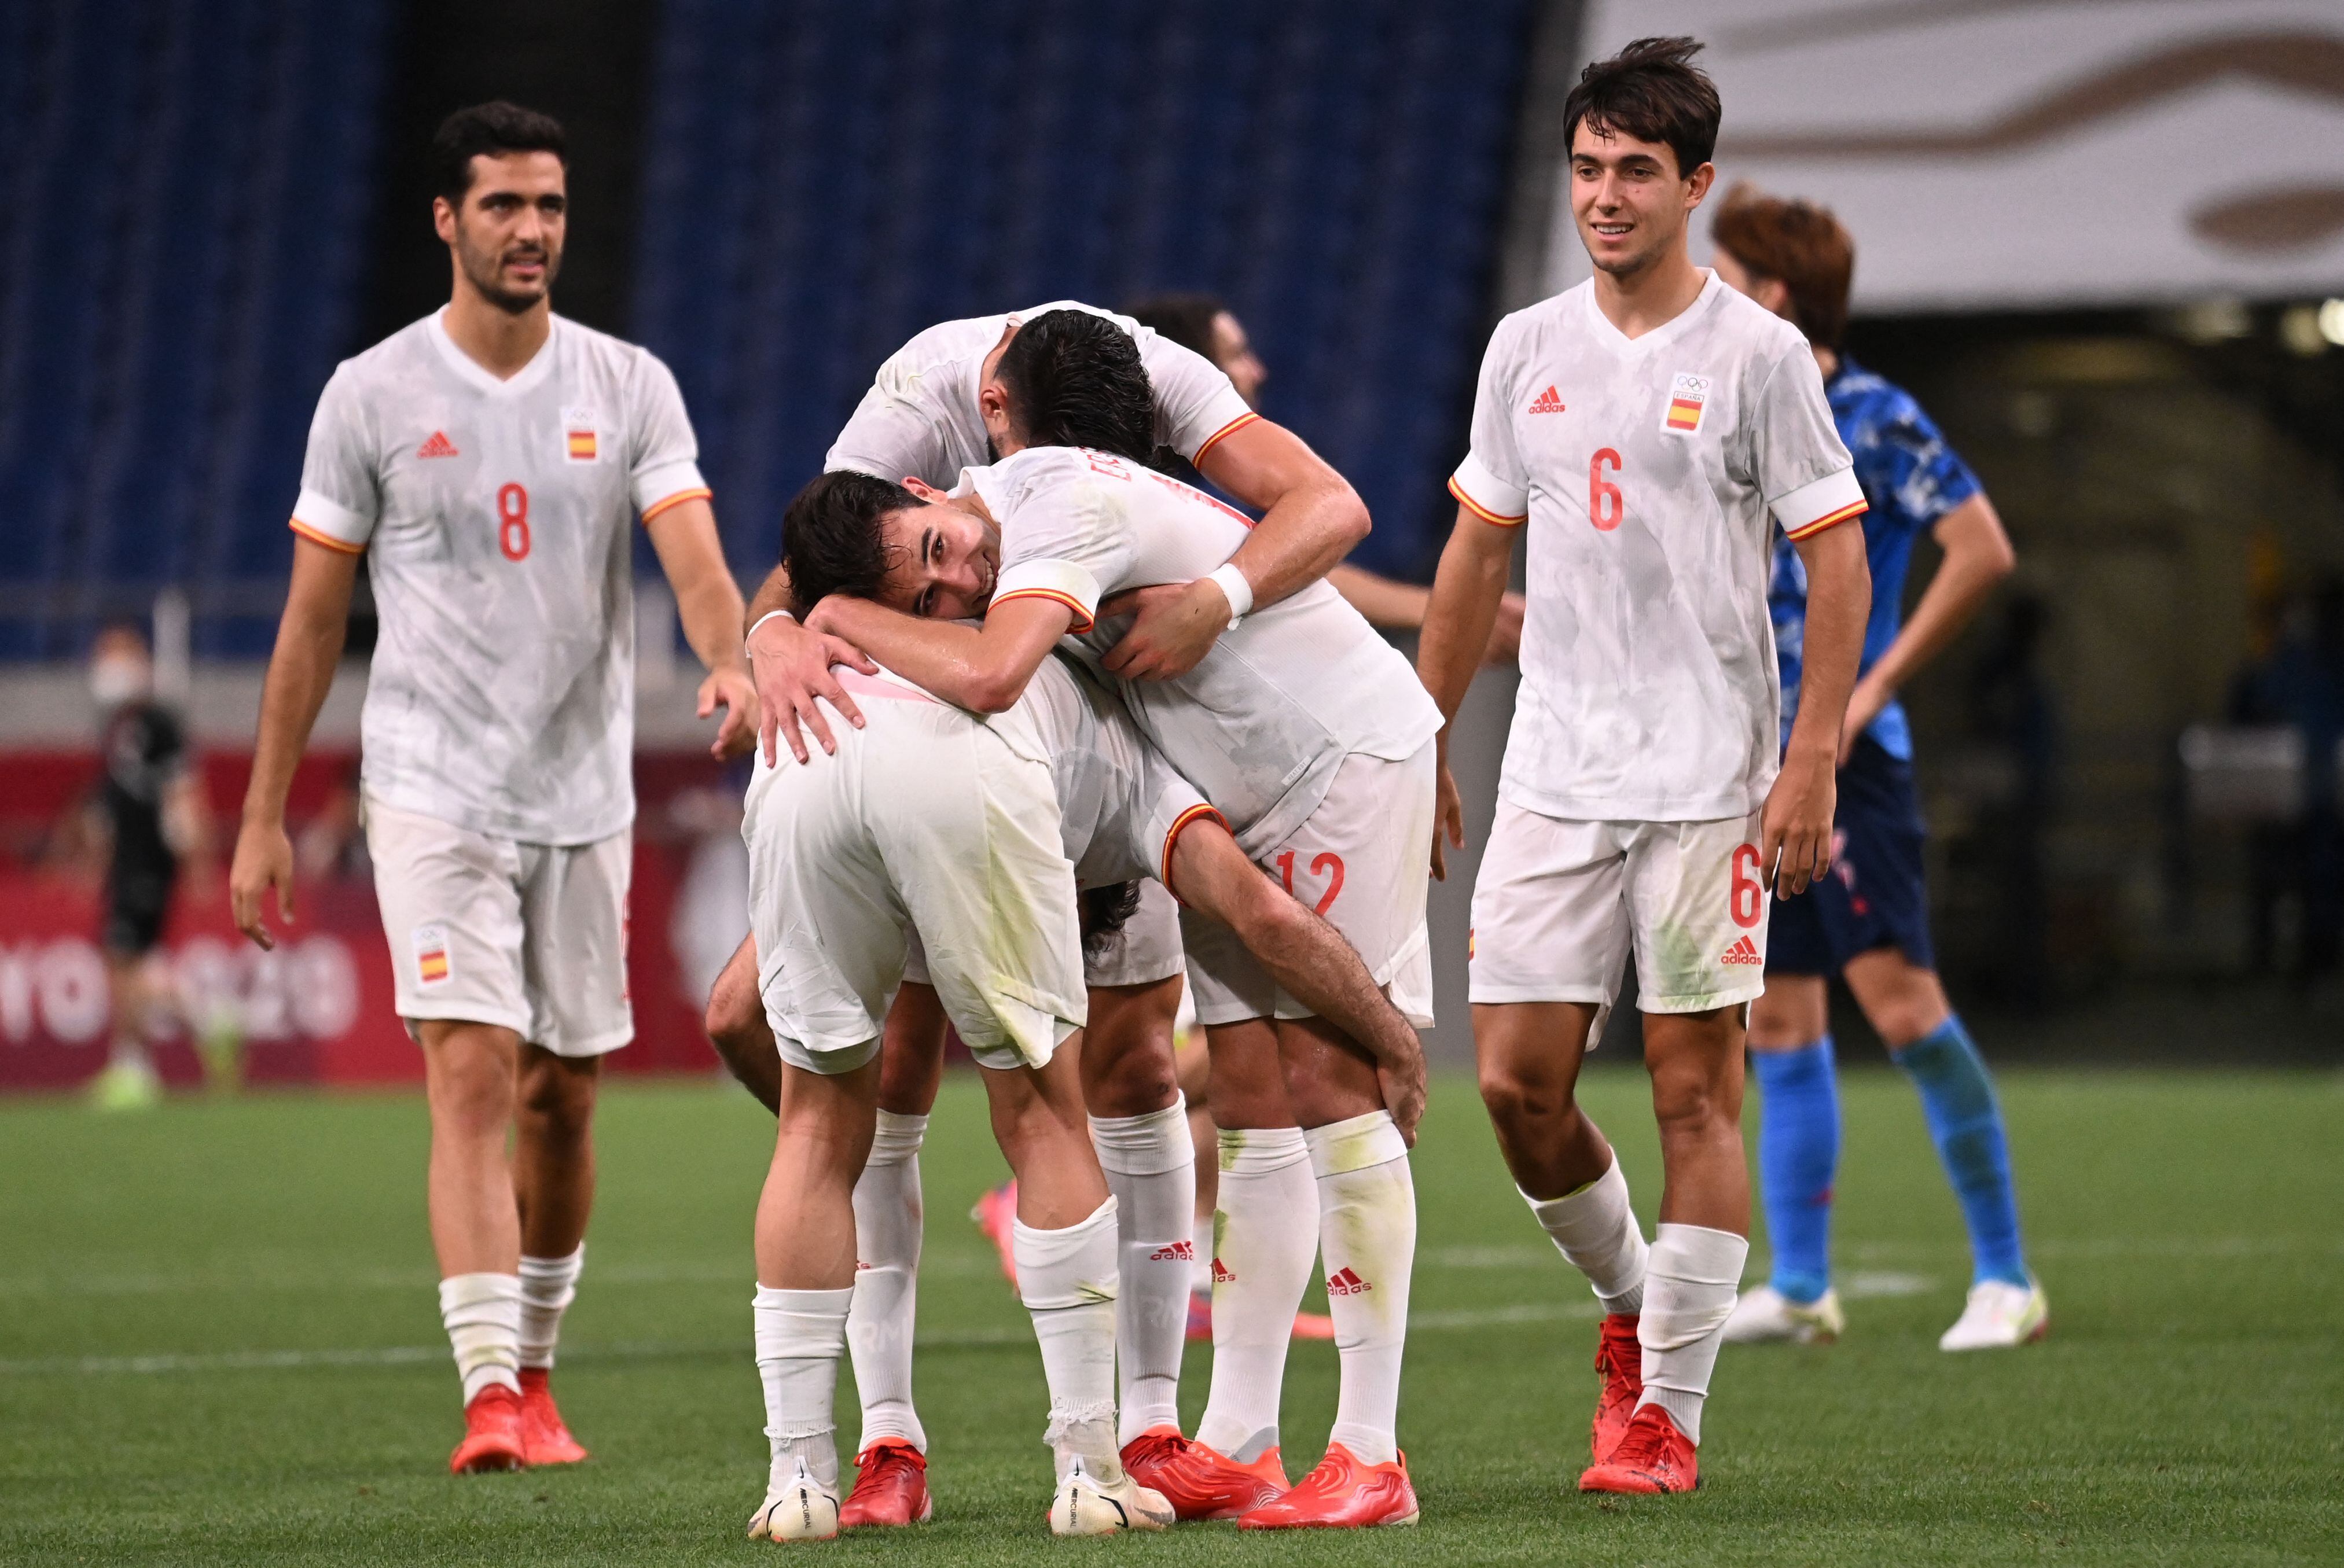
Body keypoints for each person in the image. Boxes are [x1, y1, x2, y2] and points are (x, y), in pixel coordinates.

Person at [704, 297, 1374, 1517]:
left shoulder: (1135, 415)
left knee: (846, 1111)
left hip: (848, 758)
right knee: (1058, 1096)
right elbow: (871, 581)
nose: (966, 575)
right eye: (937, 565)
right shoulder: (936, 414)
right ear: (969, 437)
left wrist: (822, 626)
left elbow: (1325, 512)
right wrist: (782, 628)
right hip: (1006, 761)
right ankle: (1091, 1454)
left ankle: (818, 1464)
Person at [227, 102, 758, 1475]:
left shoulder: (627, 383)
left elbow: (694, 558)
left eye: (553, 207)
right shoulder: (372, 395)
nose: (534, 231)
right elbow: (307, 624)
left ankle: (535, 1366)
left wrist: (728, 659)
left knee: (562, 1097)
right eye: (507, 206)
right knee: (469, 1070)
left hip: (580, 793)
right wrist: (262, 814)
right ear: (447, 221)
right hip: (430, 783)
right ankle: (486, 1396)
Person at [1415, 38, 1872, 1497]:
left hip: (1707, 778)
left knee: (1692, 1096)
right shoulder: (1522, 347)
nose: (1604, 197)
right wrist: (1416, 743)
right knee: (1513, 1088)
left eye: (1633, 173)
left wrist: (1809, 758)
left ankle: (1665, 1411)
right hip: (1553, 766)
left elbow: (1838, 553)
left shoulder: (1755, 355)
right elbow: (1475, 552)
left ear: (1694, 187)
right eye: (1587, 169)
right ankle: (1633, 1304)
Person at [737, 623, 1431, 1536]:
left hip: (828, 750)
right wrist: (1392, 1034)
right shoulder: (1139, 783)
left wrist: (780, 627)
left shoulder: (1115, 763)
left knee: (831, 1121)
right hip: (950, 769)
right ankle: (1075, 1465)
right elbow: (1263, 913)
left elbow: (725, 1016)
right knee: (1040, 1112)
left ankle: (816, 1471)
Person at [1123, 295, 1522, 1313]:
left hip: (1210, 773)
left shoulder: (1183, 503)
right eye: (1234, 354)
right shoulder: (1143, 505)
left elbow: (1306, 578)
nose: (1250, 372)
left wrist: (1446, 611)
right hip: (1215, 776)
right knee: (1275, 1051)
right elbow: (1308, 569)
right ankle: (1354, 1436)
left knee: (1252, 1061)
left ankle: (1237, 1379)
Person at [1708, 186, 2045, 1352]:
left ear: (1774, 294)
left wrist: (1877, 685)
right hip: (1752, 762)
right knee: (1781, 1020)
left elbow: (1982, 546)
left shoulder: (1872, 412)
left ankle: (2008, 1276)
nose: (1704, 290)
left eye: (1725, 272)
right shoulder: (1725, 409)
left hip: (1855, 765)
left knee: (1901, 1004)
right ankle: (1803, 1284)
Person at [1125, 291, 1527, 664]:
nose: (1258, 371)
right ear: (1193, 372)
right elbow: (1284, 564)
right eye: (1236, 355)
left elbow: (1280, 559)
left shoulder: (1207, 476)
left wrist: (1442, 608)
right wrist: (1442, 610)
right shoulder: (1157, 488)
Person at [86, 623, 211, 1111]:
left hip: (149, 862)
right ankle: (183, 1031)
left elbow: (184, 791)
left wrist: (195, 855)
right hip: (126, 860)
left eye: (114, 654)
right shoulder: (116, 726)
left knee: (125, 959)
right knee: (128, 962)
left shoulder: (158, 723)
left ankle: (136, 1064)